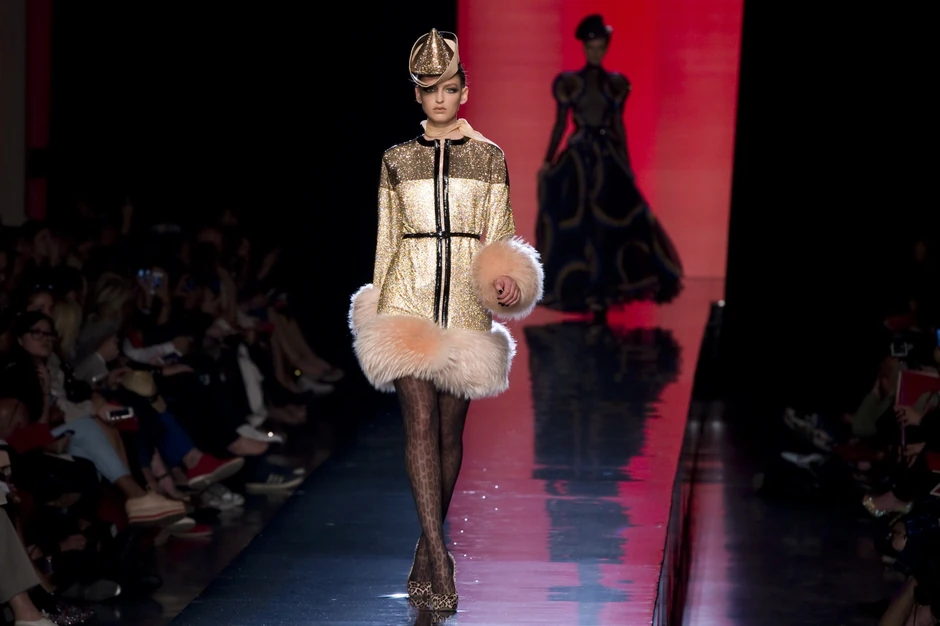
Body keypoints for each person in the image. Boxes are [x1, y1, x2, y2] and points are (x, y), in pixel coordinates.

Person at [348, 28, 543, 614]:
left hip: (463, 305)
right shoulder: (396, 160)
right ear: (417, 95)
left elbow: (501, 235)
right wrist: (378, 307)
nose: (440, 98)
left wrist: (506, 280)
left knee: (449, 435)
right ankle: (438, 553)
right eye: (429, 89)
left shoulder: (489, 158)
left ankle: (425, 548)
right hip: (405, 299)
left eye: (449, 88)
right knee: (418, 426)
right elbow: (386, 242)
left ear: (465, 91)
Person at [537, 14, 683, 322]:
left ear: (606, 47)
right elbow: (560, 124)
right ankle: (585, 289)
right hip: (578, 158)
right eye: (591, 46)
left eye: (600, 46)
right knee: (578, 222)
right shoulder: (570, 83)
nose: (596, 52)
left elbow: (618, 125)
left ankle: (602, 290)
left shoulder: (615, 85)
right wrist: (548, 161)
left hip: (605, 157)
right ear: (584, 47)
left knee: (610, 223)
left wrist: (626, 164)